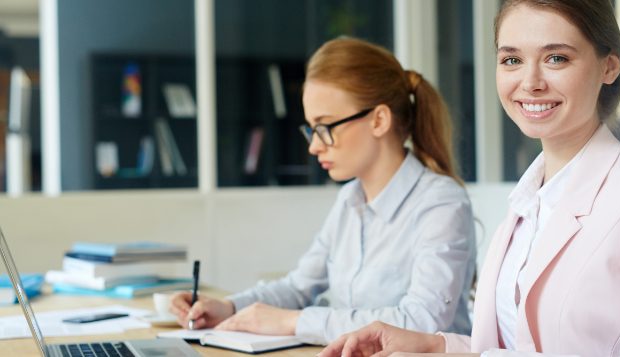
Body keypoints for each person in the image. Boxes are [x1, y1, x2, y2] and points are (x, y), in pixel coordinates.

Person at [319, 0, 620, 356]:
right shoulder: (526, 202)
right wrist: (435, 345)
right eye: (511, 60)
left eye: (556, 58)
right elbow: (514, 344)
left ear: (609, 66)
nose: (530, 82)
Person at [169, 37, 476, 345]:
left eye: (325, 127)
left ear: (379, 120)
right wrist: (228, 307)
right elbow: (299, 286)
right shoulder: (349, 199)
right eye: (310, 129)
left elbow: (420, 322)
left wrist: (294, 322)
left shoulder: (441, 203)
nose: (314, 146)